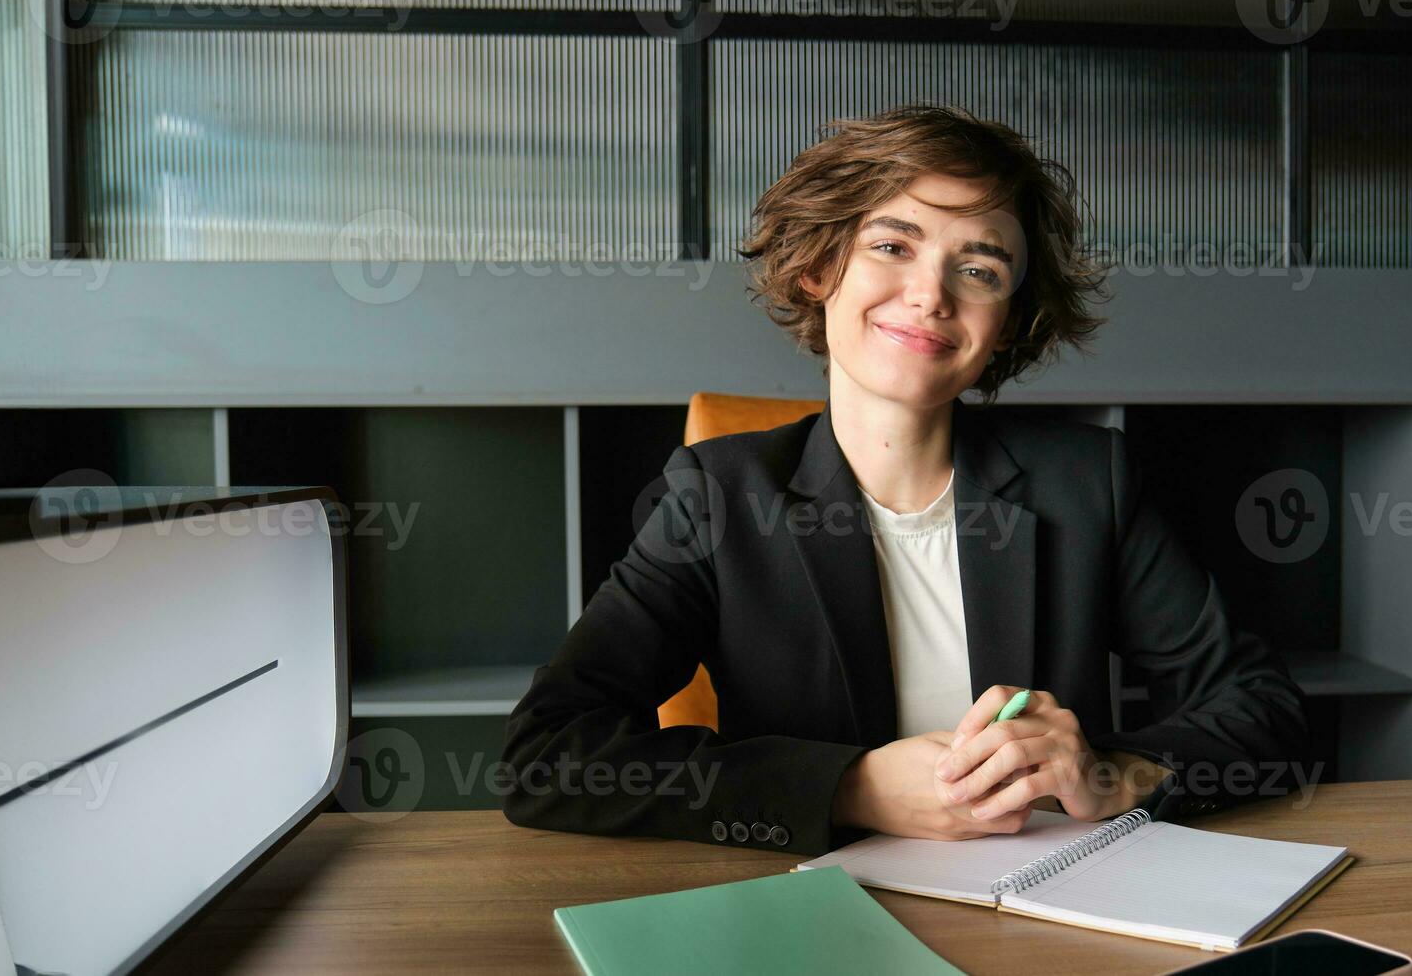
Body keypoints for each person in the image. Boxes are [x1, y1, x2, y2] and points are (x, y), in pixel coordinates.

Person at [501, 103, 1313, 855]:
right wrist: (849, 788)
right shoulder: (717, 496)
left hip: (1044, 908)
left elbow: (1265, 712)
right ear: (820, 268)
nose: (930, 295)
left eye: (982, 270)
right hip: (815, 916)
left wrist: (1111, 774)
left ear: (1005, 327)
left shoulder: (1088, 481)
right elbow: (548, 752)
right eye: (893, 246)